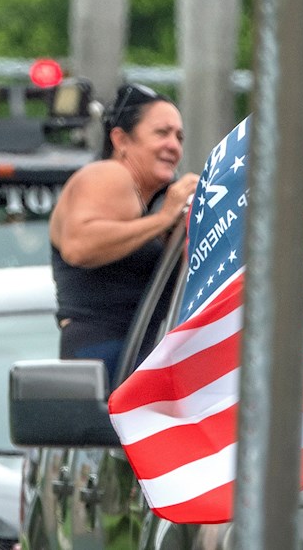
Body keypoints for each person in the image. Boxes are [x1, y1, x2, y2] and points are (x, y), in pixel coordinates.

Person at [49, 84, 199, 383]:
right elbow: (79, 246)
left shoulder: (151, 200)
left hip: (137, 355)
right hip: (108, 359)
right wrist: (163, 219)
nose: (174, 145)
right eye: (162, 133)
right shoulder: (108, 174)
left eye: (179, 137)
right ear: (121, 139)